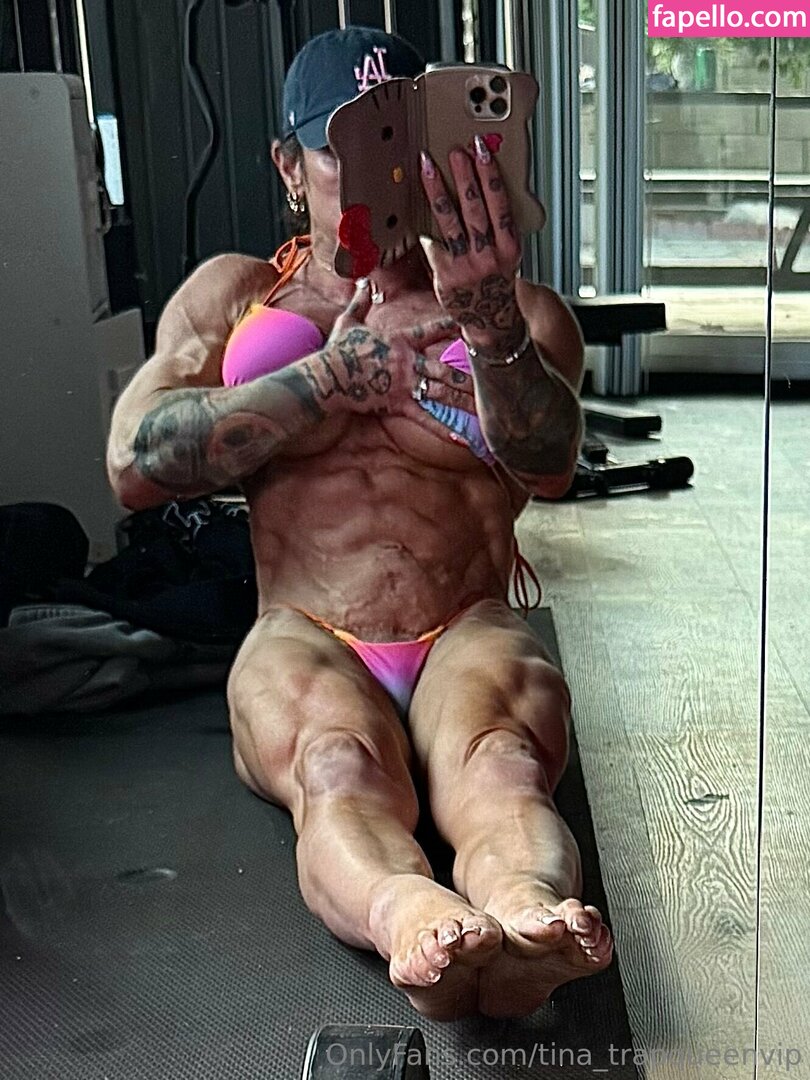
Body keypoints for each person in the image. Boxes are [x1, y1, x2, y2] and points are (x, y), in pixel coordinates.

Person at [106, 25, 613, 1020]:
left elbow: (551, 466)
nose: (383, 175)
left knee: (504, 766)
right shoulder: (238, 297)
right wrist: (322, 382)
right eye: (350, 148)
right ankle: (410, 917)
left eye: (403, 142)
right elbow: (133, 464)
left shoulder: (516, 310)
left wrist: (490, 327)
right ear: (290, 167)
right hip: (307, 628)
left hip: (465, 620)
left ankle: (526, 912)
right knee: (335, 765)